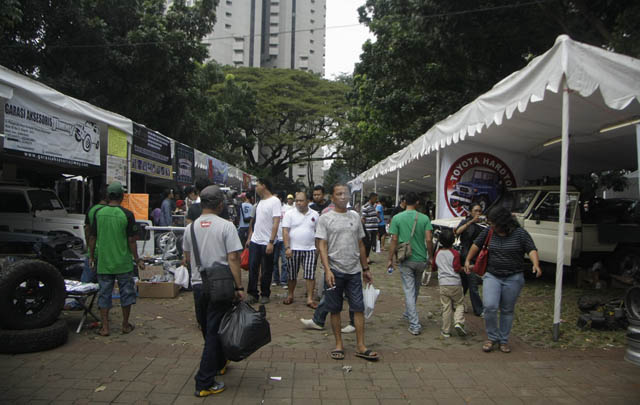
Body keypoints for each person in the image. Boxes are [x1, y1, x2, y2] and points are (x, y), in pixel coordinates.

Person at [182, 185, 244, 397]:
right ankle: (204, 381)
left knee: (208, 329)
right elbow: (233, 259)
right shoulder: (226, 227)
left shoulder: (190, 228)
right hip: (222, 286)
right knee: (213, 333)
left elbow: (187, 257)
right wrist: (239, 286)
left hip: (199, 285)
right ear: (220, 204)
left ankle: (218, 363)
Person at [464, 206, 542, 354]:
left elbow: (531, 249)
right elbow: (476, 245)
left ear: (502, 222)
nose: (490, 225)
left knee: (507, 309)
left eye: (492, 222)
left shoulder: (520, 234)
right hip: (492, 275)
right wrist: (468, 260)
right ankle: (492, 337)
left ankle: (503, 340)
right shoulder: (488, 232)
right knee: (490, 306)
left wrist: (536, 264)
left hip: (513, 277)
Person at [317, 183, 379, 361]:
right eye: (339, 194)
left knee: (358, 308)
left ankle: (361, 345)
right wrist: (327, 269)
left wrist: (365, 268)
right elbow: (322, 245)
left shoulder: (355, 216)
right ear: (333, 197)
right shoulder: (325, 218)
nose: (343, 196)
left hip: (354, 271)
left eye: (345, 193)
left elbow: (360, 244)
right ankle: (339, 344)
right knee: (335, 309)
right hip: (334, 270)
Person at [88, 181, 144, 337]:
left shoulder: (98, 213)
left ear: (108, 196)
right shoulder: (126, 214)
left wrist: (91, 256)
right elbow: (131, 240)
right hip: (123, 263)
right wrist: (137, 259)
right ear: (122, 197)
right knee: (126, 294)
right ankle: (125, 325)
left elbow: (92, 237)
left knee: (104, 295)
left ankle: (105, 328)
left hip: (104, 263)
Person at [387, 192, 434, 335]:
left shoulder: (397, 218)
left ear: (404, 202)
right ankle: (409, 313)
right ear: (418, 202)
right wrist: (430, 256)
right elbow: (429, 239)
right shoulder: (425, 218)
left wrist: (390, 258)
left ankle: (414, 324)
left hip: (405, 259)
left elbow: (394, 240)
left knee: (409, 290)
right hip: (420, 259)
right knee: (415, 289)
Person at [246, 178, 281, 304]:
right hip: (256, 241)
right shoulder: (260, 202)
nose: (256, 188)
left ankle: (265, 293)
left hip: (267, 242)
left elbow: (276, 222)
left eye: (257, 185)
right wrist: (250, 237)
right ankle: (252, 293)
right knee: (253, 268)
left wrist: (271, 241)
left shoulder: (275, 201)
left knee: (267, 269)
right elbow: (256, 222)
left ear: (264, 186)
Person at [282, 191, 319, 308]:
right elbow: (285, 231)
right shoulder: (289, 214)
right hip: (293, 249)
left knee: (310, 275)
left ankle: (309, 298)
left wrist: (318, 249)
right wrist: (287, 247)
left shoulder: (315, 215)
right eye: (296, 200)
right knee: (291, 274)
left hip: (310, 249)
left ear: (307, 201)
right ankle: (290, 295)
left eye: (301, 200)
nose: (298, 203)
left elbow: (318, 233)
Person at [432, 228, 466, 338]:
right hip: (455, 282)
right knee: (459, 303)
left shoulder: (438, 253)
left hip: (443, 283)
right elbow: (456, 268)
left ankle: (446, 330)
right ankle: (458, 321)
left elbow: (434, 267)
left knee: (446, 307)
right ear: (453, 240)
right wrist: (463, 268)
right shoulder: (455, 253)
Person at [455, 202, 485, 317]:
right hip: (465, 256)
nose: (477, 213)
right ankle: (479, 309)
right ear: (470, 212)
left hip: (476, 257)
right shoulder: (466, 222)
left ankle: (457, 303)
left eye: (479, 211)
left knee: (465, 283)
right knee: (472, 283)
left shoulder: (482, 225)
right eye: (475, 211)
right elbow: (458, 231)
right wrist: (471, 222)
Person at [82, 185, 107, 283]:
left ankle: (82, 298)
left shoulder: (91, 210)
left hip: (93, 252)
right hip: (107, 254)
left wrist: (89, 247)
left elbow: (87, 230)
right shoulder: (111, 212)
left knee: (85, 285)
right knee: (104, 286)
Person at [272, 192, 292, 287]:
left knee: (285, 261)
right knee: (274, 261)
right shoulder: (271, 209)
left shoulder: (287, 209)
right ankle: (276, 279)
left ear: (280, 199)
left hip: (284, 238)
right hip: (274, 239)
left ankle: (284, 280)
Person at [361, 193, 379, 260]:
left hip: (374, 228)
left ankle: (367, 257)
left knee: (371, 243)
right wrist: (364, 228)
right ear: (371, 198)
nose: (376, 200)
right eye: (375, 198)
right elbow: (363, 218)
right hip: (368, 228)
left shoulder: (373, 206)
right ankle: (366, 257)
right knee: (367, 244)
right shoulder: (366, 206)